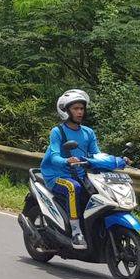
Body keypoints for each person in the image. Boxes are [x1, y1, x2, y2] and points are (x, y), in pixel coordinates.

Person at [40, 89, 100, 249]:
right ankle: (76, 232)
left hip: (79, 174)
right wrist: (67, 160)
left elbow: (97, 155)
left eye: (82, 108)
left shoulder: (88, 132)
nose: (80, 112)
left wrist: (118, 160)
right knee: (73, 187)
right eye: (76, 108)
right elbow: (54, 156)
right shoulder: (58, 132)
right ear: (66, 111)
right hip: (56, 175)